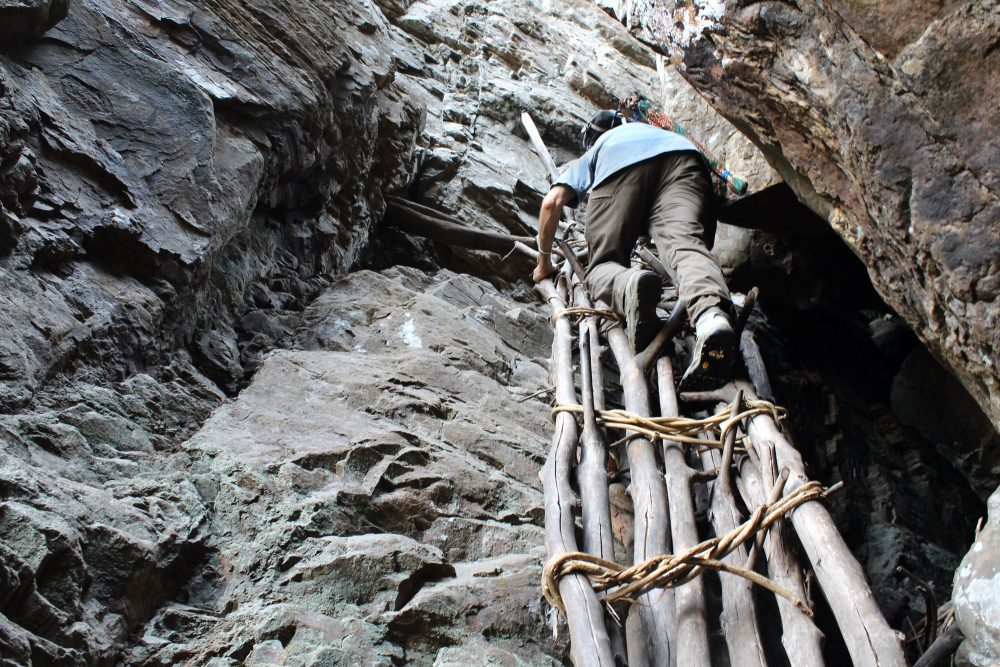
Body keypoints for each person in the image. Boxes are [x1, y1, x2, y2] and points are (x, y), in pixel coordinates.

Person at [532, 109, 736, 388]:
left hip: (620, 166)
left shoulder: (603, 146)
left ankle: (629, 284)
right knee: (686, 248)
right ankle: (712, 320)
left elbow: (551, 203)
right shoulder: (664, 135)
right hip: (686, 162)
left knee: (601, 266)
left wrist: (543, 262)